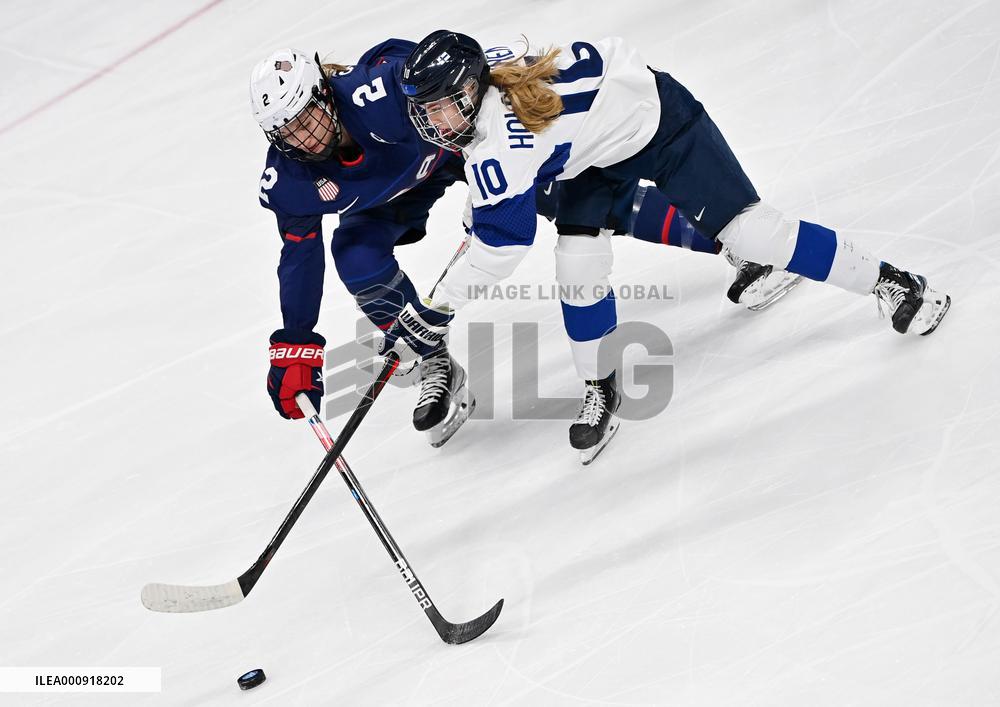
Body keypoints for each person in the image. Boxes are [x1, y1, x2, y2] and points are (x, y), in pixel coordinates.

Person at [393, 30, 951, 463]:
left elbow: (500, 245)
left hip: (663, 126)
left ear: (472, 90)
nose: (434, 121)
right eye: (427, 110)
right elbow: (508, 169)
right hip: (594, 147)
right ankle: (600, 384)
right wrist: (484, 204)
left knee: (755, 232)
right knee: (577, 265)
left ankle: (895, 281)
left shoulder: (504, 140)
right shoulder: (494, 72)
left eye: (442, 105)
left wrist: (433, 312)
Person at [248, 40, 788, 446]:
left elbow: (465, 91)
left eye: (306, 119)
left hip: (454, 153)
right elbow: (299, 253)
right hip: (392, 196)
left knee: (575, 201)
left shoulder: (382, 90)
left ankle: (731, 239)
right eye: (287, 133)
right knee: (354, 254)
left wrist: (496, 169)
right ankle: (437, 364)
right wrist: (295, 339)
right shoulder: (290, 177)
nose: (303, 138)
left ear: (326, 94)